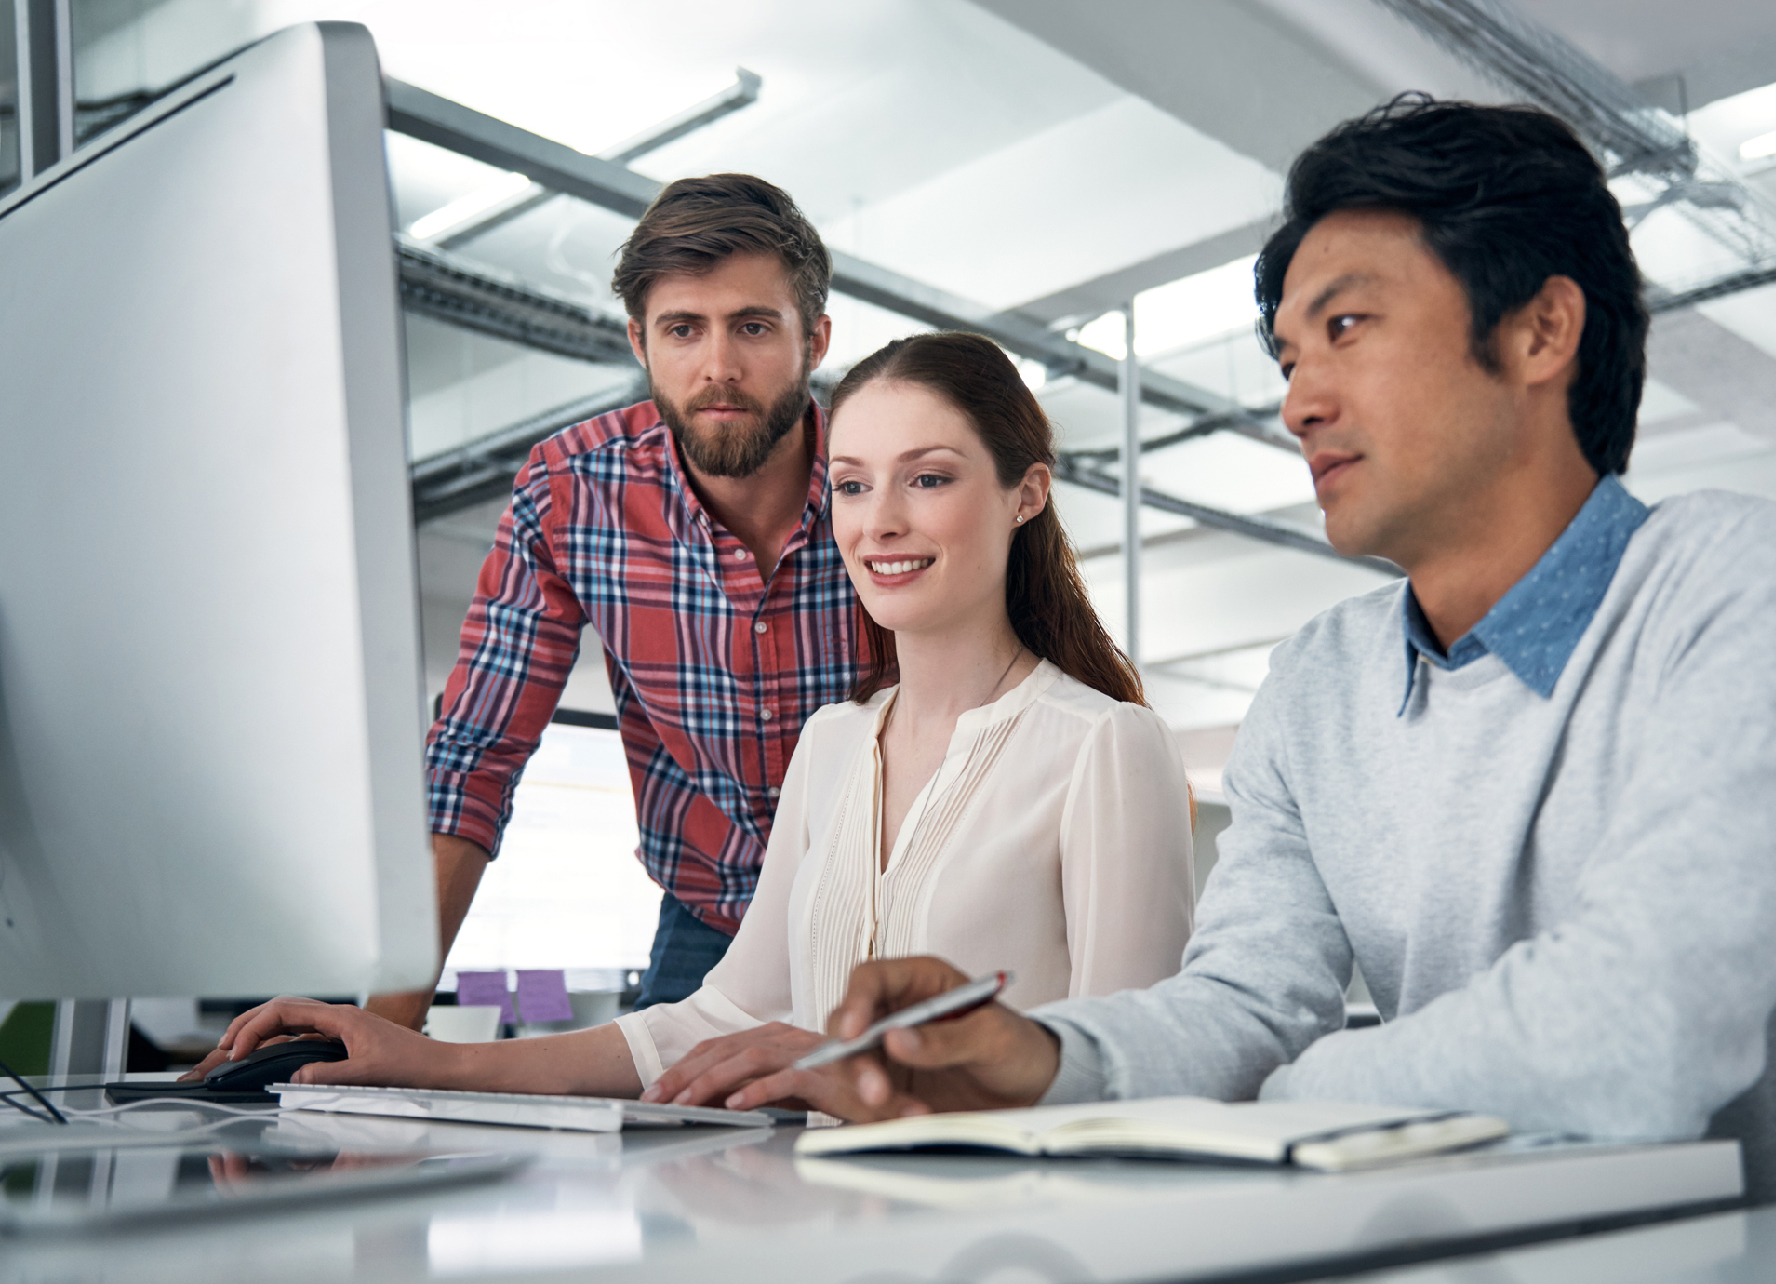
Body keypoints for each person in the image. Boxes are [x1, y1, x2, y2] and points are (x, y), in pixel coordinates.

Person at [732, 97, 1776, 1218]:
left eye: (1346, 328)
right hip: (1520, 1255)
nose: (1294, 399)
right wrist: (1040, 1056)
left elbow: (1636, 1032)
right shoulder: (1318, 683)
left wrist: (1277, 1088)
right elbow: (1233, 1004)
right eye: (1289, 354)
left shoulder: (1765, 581)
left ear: (1541, 330)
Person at [188, 332, 1196, 1100]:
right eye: (850, 484)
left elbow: (1139, 1086)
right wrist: (423, 1058)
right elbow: (718, 1013)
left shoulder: (1105, 746)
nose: (878, 519)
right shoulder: (834, 744)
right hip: (818, 1229)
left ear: (1024, 495)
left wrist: (850, 1072)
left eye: (927, 478)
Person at [373, 173, 865, 1032]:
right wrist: (386, 1022)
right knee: (675, 1158)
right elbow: (475, 752)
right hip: (708, 918)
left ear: (814, 339)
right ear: (640, 341)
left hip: (900, 910)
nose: (718, 367)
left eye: (753, 327)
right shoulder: (572, 491)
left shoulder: (891, 474)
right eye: (684, 330)